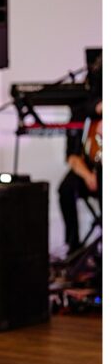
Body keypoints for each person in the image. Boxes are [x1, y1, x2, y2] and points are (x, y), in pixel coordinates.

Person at [58, 97, 101, 255]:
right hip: (88, 169)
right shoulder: (80, 115)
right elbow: (72, 156)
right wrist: (88, 176)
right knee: (66, 189)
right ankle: (73, 245)